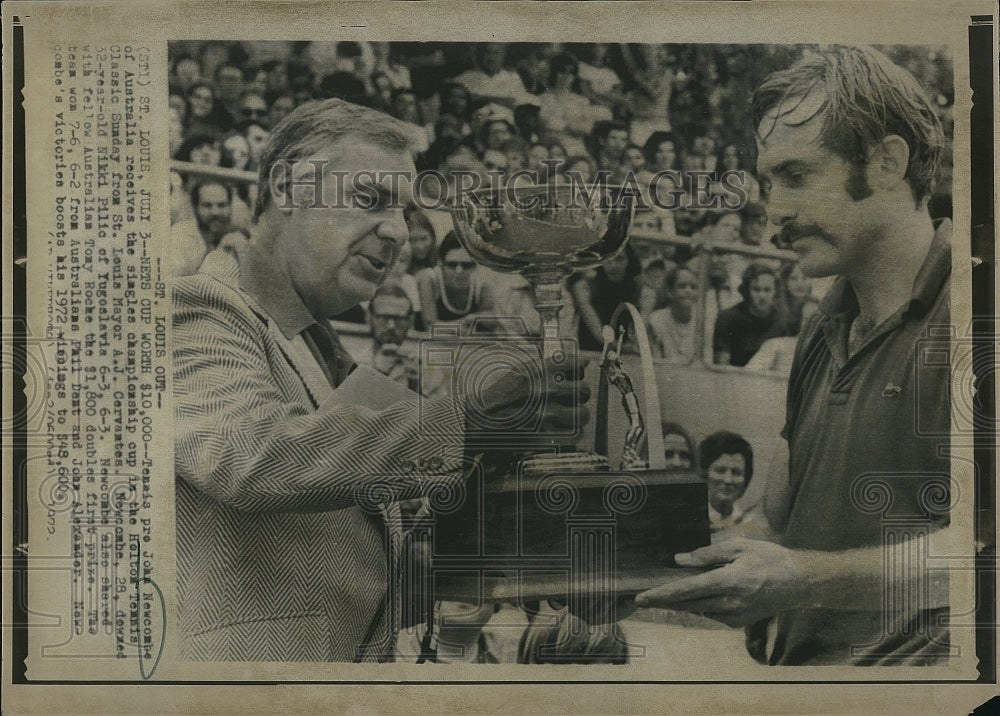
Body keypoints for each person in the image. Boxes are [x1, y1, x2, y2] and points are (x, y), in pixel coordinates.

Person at [173, 98, 589, 662]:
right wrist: (467, 422)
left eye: (404, 212)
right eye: (370, 199)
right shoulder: (194, 307)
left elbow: (357, 565)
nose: (396, 231)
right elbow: (247, 454)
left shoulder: (319, 349)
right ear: (288, 188)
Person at [637, 45, 951, 666]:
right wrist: (682, 561)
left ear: (887, 163)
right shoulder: (822, 324)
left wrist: (804, 578)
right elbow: (776, 520)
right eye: (767, 181)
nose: (773, 209)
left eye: (797, 176)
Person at [698, 431, 761, 535]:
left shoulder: (751, 526)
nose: (728, 480)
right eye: (720, 470)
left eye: (737, 472)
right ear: (705, 474)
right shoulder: (692, 522)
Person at [647, 264, 700, 364]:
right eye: (682, 286)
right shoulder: (656, 320)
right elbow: (655, 361)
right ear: (670, 292)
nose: (688, 291)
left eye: (693, 287)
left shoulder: (703, 321)